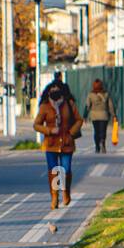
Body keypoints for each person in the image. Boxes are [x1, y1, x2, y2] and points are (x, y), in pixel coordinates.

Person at [33, 80, 83, 209]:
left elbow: (79, 120)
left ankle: (66, 192)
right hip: (51, 144)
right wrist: (49, 130)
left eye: (58, 89)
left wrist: (71, 133)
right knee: (54, 171)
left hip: (66, 143)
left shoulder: (69, 104)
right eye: (52, 89)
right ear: (48, 91)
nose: (55, 92)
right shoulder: (45, 106)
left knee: (65, 170)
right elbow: (36, 124)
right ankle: (54, 196)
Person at [85, 79, 115, 153]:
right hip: (104, 115)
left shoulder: (91, 95)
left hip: (94, 115)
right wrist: (113, 114)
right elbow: (110, 105)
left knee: (96, 131)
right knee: (103, 131)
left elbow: (87, 106)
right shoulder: (106, 94)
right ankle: (103, 143)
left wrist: (85, 115)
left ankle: (97, 146)